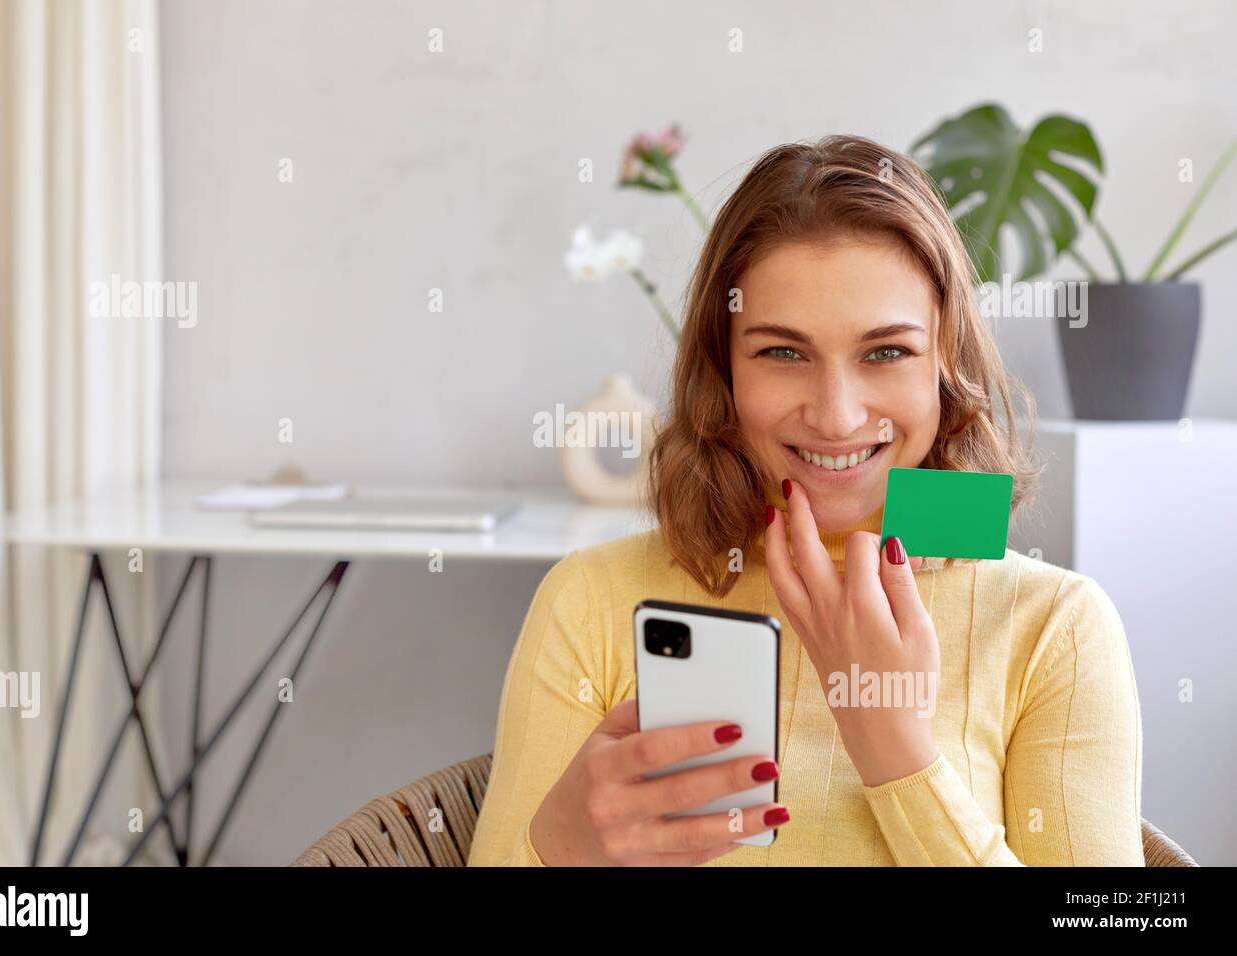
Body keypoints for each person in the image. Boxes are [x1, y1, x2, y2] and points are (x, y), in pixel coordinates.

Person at [467, 135, 1144, 866]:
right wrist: (561, 847)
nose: (836, 415)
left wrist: (896, 752)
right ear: (722, 373)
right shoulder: (590, 599)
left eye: (886, 352)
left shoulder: (1056, 628)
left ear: (946, 367)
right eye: (782, 353)